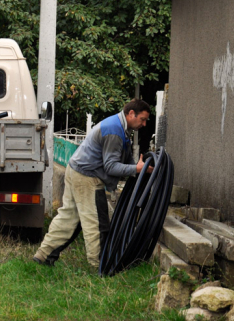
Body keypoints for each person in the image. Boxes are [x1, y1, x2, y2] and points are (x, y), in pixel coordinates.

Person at [33, 99, 153, 269]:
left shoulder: (119, 127)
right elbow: (111, 166)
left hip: (76, 170)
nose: (144, 124)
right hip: (87, 178)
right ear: (131, 114)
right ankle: (99, 266)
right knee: (96, 223)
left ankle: (43, 256)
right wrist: (136, 169)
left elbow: (123, 158)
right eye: (142, 119)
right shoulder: (114, 131)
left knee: (69, 218)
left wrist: (138, 167)